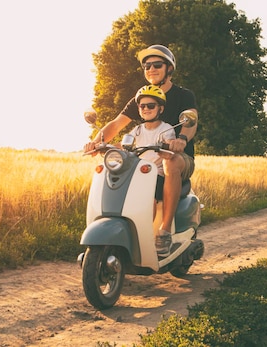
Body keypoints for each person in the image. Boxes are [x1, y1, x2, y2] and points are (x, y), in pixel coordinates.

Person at [84, 44, 198, 256]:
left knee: (170, 161)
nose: (151, 69)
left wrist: (181, 139)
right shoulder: (142, 97)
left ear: (169, 69)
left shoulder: (183, 95)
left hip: (179, 159)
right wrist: (96, 142)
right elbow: (117, 124)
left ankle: (164, 231)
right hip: (148, 160)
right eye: (146, 66)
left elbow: (190, 121)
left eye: (157, 64)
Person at [128, 85, 175, 207]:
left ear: (161, 109)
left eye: (151, 106)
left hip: (156, 173)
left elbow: (170, 141)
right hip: (138, 172)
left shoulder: (166, 129)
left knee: (150, 200)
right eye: (142, 106)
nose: (146, 109)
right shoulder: (137, 130)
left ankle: (148, 226)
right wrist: (104, 146)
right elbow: (125, 142)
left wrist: (169, 145)